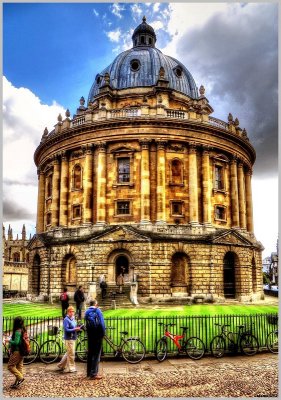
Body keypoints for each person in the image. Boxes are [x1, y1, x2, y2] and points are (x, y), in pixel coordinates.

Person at [85, 299, 106, 380]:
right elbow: (101, 323)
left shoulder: (86, 312)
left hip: (90, 336)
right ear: (95, 304)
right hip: (97, 335)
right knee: (97, 355)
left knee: (90, 354)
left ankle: (88, 372)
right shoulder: (97, 311)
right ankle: (94, 373)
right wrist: (103, 333)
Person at [56, 306, 81, 373]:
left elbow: (74, 326)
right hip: (69, 338)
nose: (72, 313)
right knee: (71, 354)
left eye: (73, 311)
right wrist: (74, 329)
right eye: (71, 311)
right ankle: (72, 368)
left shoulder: (73, 319)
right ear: (68, 312)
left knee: (68, 353)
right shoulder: (66, 320)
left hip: (73, 337)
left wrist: (78, 328)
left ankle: (61, 365)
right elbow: (66, 329)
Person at [6, 316, 25, 388]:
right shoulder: (22, 329)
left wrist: (9, 341)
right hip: (22, 351)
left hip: (17, 351)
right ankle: (17, 383)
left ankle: (20, 378)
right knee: (19, 367)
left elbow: (16, 342)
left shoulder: (17, 331)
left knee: (10, 366)